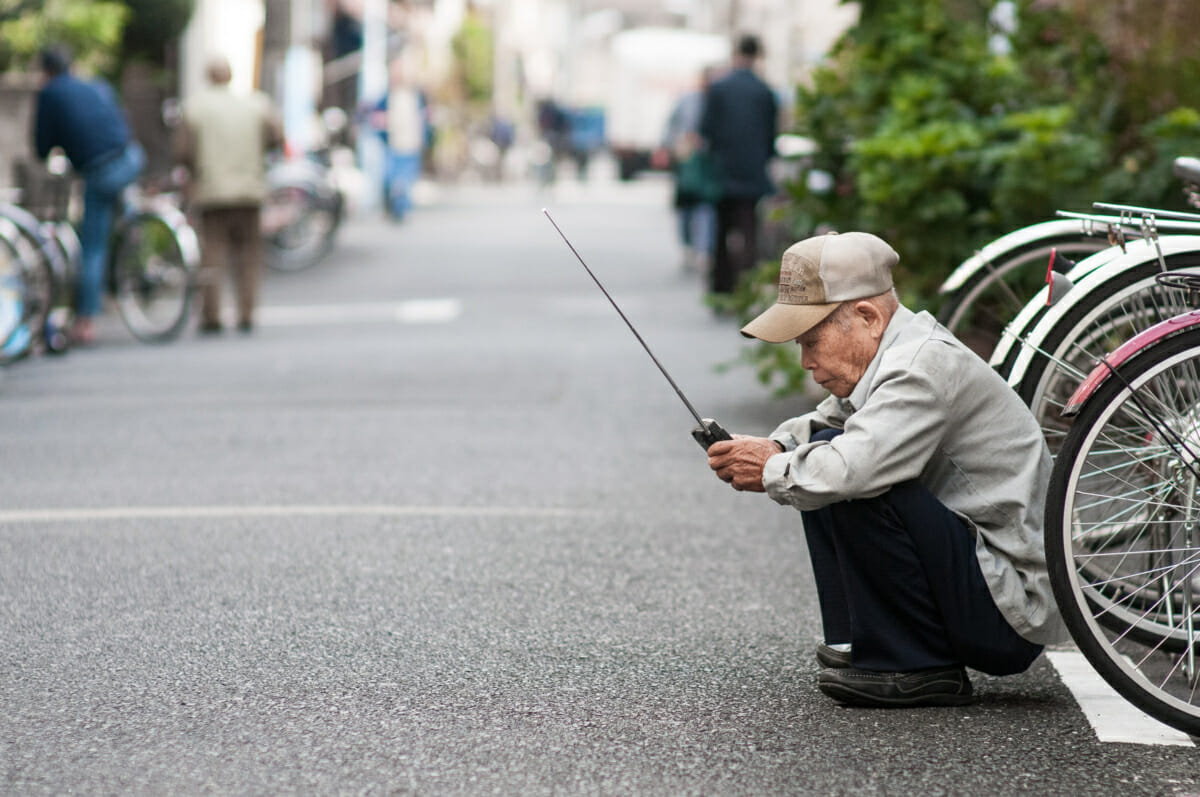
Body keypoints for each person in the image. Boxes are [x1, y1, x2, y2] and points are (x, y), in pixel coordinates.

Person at [705, 231, 1065, 707]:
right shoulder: (896, 352)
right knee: (823, 452)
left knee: (849, 473)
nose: (806, 361)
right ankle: (862, 641)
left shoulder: (920, 366)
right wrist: (773, 447)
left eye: (812, 341)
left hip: (1009, 613)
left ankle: (916, 662)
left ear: (868, 317)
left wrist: (773, 466)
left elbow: (853, 469)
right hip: (983, 583)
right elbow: (823, 427)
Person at [34, 45, 145, 345]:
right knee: (120, 216)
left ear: (45, 71)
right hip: (131, 156)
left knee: (93, 246)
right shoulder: (94, 84)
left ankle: (85, 322)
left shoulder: (50, 93)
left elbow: (42, 146)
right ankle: (136, 240)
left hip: (100, 169)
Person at [176, 55, 283, 334]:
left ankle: (212, 316)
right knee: (248, 253)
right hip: (249, 188)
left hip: (211, 190)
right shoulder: (256, 103)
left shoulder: (195, 107)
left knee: (212, 253)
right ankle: (247, 313)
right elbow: (276, 137)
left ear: (208, 76)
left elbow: (183, 152)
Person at [699, 34, 778, 295]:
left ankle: (722, 286)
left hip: (723, 171)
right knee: (749, 230)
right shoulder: (765, 91)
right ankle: (747, 287)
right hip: (753, 172)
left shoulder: (719, 88)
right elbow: (771, 137)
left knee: (721, 230)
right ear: (757, 56)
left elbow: (706, 130)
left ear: (735, 53)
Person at [660, 66, 719, 274]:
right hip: (686, 164)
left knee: (707, 208)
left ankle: (704, 251)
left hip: (708, 165)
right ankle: (688, 248)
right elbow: (671, 126)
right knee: (686, 208)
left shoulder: (718, 102)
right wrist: (669, 148)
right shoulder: (687, 100)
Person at [371, 58, 427, 221]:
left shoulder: (416, 96)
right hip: (394, 143)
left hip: (410, 144)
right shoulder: (388, 96)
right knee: (391, 179)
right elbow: (376, 117)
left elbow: (423, 120)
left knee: (405, 180)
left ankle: (401, 209)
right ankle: (393, 208)